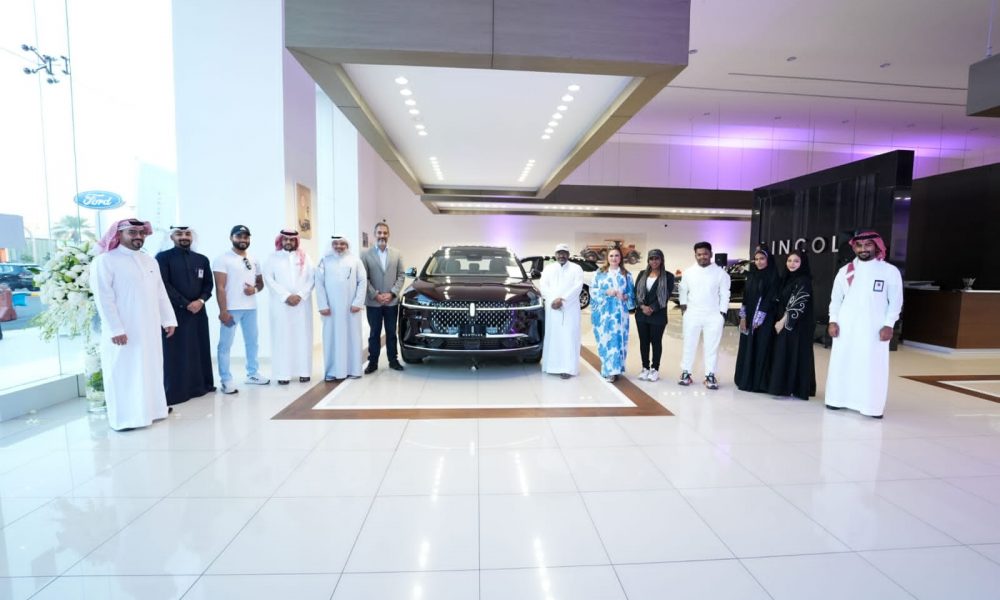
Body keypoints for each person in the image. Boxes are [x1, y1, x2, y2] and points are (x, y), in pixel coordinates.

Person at [90, 218, 177, 431]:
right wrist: (115, 329)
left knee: (151, 368)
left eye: (141, 232)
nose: (138, 236)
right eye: (132, 232)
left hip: (149, 327)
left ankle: (154, 411)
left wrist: (168, 319)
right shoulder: (105, 261)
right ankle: (126, 419)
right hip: (124, 329)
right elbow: (103, 298)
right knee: (123, 371)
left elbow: (160, 293)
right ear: (118, 234)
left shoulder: (150, 261)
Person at [824, 231, 903, 418]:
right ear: (854, 248)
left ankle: (871, 406)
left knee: (872, 366)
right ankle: (837, 399)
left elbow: (896, 301)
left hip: (873, 328)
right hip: (846, 327)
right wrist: (833, 320)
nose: (863, 249)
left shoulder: (889, 271)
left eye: (868, 244)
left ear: (877, 246)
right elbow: (836, 299)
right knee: (842, 363)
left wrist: (889, 324)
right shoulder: (845, 271)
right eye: (859, 245)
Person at [155, 225, 215, 405]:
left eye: (187, 234)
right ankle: (177, 391)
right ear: (171, 237)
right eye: (179, 234)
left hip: (198, 312)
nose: (184, 237)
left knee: (198, 348)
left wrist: (200, 301)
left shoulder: (202, 259)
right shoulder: (162, 258)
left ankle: (201, 386)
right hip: (174, 313)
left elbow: (208, 285)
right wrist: (185, 303)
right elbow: (163, 285)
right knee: (177, 351)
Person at [212, 225, 269, 394]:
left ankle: (252, 374)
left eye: (246, 237)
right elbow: (220, 287)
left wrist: (254, 290)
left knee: (252, 342)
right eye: (239, 236)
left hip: (250, 309)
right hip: (231, 310)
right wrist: (223, 311)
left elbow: (260, 283)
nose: (243, 240)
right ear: (231, 238)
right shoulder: (222, 259)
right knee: (225, 345)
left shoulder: (254, 259)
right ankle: (226, 379)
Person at [263, 229, 315, 385]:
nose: (288, 242)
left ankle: (304, 372)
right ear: (281, 240)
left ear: (296, 241)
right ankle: (283, 374)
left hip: (302, 304)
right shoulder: (272, 258)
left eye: (291, 240)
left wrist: (300, 295)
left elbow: (312, 278)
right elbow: (269, 279)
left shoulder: (305, 257)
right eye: (285, 239)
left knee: (303, 337)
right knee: (282, 338)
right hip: (281, 305)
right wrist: (286, 296)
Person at [678, 241, 731, 389]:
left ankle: (710, 375)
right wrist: (684, 309)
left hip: (713, 315)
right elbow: (683, 291)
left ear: (711, 254)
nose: (702, 257)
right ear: (695, 255)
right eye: (699, 254)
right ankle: (686, 373)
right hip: (692, 314)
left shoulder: (721, 273)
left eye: (705, 254)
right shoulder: (688, 272)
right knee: (689, 344)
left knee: (712, 346)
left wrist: (722, 313)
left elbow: (725, 294)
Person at [316, 235, 367, 381]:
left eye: (342, 243)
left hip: (351, 309)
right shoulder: (324, 261)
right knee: (331, 339)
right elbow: (319, 284)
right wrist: (323, 305)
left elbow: (362, 281)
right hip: (331, 310)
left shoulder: (355, 261)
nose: (339, 246)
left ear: (347, 245)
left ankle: (354, 370)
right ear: (331, 245)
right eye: (336, 243)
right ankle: (332, 372)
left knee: (352, 338)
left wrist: (358, 302)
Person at [768, 250, 816, 400]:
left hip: (797, 325)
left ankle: (790, 387)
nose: (792, 264)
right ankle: (786, 386)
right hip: (787, 322)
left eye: (796, 261)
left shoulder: (803, 280)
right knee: (785, 352)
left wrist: (782, 322)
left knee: (793, 352)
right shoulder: (787, 278)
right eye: (789, 260)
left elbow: (797, 303)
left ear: (802, 263)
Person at [360, 222, 406, 373]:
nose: (382, 235)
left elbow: (401, 276)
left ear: (388, 234)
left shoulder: (397, 254)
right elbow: (364, 278)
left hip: (392, 302)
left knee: (391, 333)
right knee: (374, 333)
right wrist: (376, 295)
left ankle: (393, 361)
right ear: (375, 234)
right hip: (374, 302)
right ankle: (372, 363)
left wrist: (392, 293)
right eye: (379, 233)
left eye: (385, 233)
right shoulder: (365, 255)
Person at [733, 248, 779, 392]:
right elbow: (746, 297)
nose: (759, 262)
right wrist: (743, 317)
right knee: (748, 346)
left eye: (762, 259)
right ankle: (746, 379)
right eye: (756, 259)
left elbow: (770, 299)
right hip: (749, 317)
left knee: (761, 347)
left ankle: (759, 383)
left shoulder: (773, 277)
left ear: (768, 260)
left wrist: (759, 319)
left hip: (765, 320)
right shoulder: (752, 275)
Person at [539, 243, 584, 379]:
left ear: (568, 255)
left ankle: (567, 368)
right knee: (554, 336)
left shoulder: (576, 268)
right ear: (555, 254)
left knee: (569, 337)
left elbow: (578, 287)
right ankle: (551, 366)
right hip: (553, 308)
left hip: (570, 308)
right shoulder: (548, 269)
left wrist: (563, 300)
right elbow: (543, 285)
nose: (561, 255)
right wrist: (553, 300)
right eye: (559, 253)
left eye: (564, 253)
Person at [590, 246, 634, 382]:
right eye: (611, 256)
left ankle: (617, 368)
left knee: (619, 341)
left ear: (621, 258)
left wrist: (625, 296)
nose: (614, 258)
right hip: (605, 314)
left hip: (620, 315)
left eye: (616, 255)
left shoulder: (626, 274)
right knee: (606, 340)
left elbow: (632, 294)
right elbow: (593, 290)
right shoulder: (599, 273)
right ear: (607, 258)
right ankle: (608, 370)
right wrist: (605, 292)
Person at [633, 249, 675, 382]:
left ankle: (655, 369)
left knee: (656, 342)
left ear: (661, 260)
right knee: (644, 342)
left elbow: (665, 295)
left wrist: (652, 308)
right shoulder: (642, 274)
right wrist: (642, 306)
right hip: (641, 315)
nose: (654, 261)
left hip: (658, 315)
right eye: (651, 258)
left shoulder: (668, 276)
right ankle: (645, 367)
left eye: (657, 258)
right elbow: (636, 293)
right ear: (648, 260)